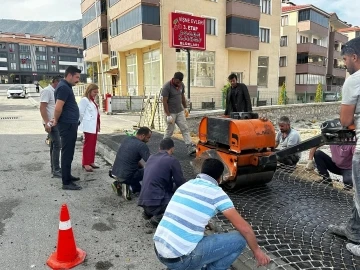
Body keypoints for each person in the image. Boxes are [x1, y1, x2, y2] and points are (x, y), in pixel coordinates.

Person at [153, 158, 271, 269]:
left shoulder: (186, 185)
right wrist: (257, 251)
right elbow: (245, 229)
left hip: (159, 250)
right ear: (220, 178)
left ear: (202, 171)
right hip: (181, 259)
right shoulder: (217, 193)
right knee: (240, 239)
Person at [327, 37, 360, 249]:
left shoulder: (354, 80)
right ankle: (354, 229)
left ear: (355, 57)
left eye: (345, 58)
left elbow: (346, 120)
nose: (344, 63)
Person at [138, 138, 185, 227]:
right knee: (180, 201)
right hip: (155, 202)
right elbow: (180, 182)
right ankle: (157, 219)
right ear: (172, 149)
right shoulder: (172, 160)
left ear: (159, 148)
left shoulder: (151, 158)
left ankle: (148, 213)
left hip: (143, 200)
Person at [52, 66, 82, 191]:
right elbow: (58, 107)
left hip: (70, 124)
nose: (78, 80)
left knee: (69, 153)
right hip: (67, 125)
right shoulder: (64, 87)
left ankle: (67, 175)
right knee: (67, 153)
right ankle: (66, 182)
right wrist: (55, 119)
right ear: (69, 75)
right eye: (76, 77)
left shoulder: (66, 86)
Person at [111, 127, 152, 200]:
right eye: (148, 138)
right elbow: (151, 162)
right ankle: (129, 188)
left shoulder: (127, 139)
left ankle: (119, 184)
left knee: (138, 170)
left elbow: (132, 159)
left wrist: (142, 167)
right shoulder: (142, 145)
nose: (148, 140)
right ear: (142, 135)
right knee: (149, 171)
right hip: (127, 175)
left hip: (115, 172)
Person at [162, 72, 196, 156]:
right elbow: (164, 101)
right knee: (170, 131)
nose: (179, 84)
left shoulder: (181, 85)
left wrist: (185, 107)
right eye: (177, 82)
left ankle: (190, 147)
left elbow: (182, 97)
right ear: (174, 79)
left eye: (180, 82)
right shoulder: (167, 86)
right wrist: (168, 115)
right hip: (170, 113)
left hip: (179, 111)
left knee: (185, 128)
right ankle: (163, 149)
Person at [39, 75, 62, 178]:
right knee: (57, 145)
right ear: (55, 82)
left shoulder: (55, 91)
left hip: (55, 121)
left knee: (54, 145)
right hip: (50, 122)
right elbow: (42, 108)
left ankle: (54, 167)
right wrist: (47, 122)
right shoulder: (47, 91)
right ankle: (56, 170)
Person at [78, 83, 100, 172]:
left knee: (93, 144)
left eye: (97, 92)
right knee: (88, 145)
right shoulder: (85, 100)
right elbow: (80, 113)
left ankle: (91, 161)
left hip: (94, 126)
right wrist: (80, 124)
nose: (96, 94)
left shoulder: (92, 100)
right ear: (89, 91)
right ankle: (85, 163)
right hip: (88, 126)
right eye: (94, 92)